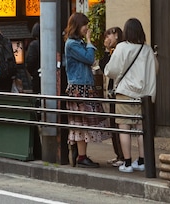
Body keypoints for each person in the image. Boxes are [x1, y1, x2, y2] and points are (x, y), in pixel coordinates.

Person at [104, 18, 157, 173]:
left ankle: (126, 163)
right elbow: (155, 69)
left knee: (124, 128)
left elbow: (111, 70)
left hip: (125, 93)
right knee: (141, 129)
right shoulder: (147, 50)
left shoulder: (121, 48)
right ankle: (141, 161)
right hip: (143, 96)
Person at [63, 12, 110, 168]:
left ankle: (81, 155)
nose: (87, 28)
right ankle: (81, 156)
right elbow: (89, 59)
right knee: (81, 124)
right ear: (77, 25)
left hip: (83, 86)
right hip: (79, 88)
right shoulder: (72, 44)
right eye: (85, 25)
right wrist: (89, 41)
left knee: (83, 124)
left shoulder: (77, 42)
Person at [100, 25, 126, 167]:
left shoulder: (121, 50)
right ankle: (119, 155)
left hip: (119, 91)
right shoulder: (112, 51)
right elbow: (105, 67)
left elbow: (107, 68)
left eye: (108, 35)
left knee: (118, 124)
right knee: (113, 124)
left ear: (116, 35)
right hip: (113, 90)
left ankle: (122, 156)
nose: (107, 39)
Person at [25, 23, 41, 94]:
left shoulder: (33, 45)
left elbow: (30, 61)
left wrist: (32, 72)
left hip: (36, 74)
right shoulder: (51, 43)